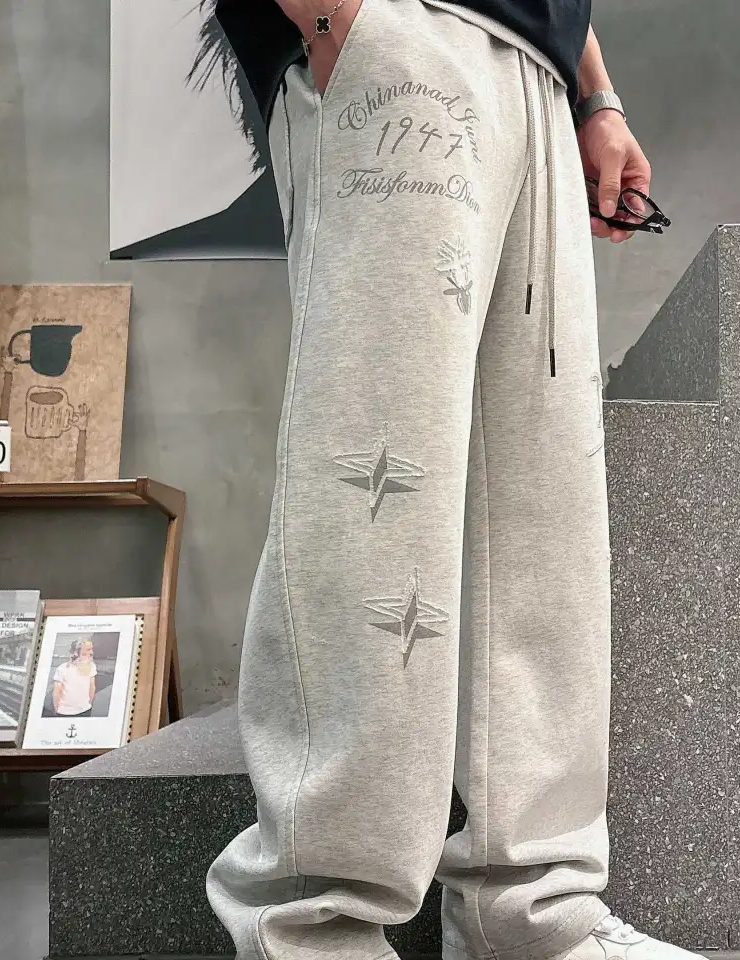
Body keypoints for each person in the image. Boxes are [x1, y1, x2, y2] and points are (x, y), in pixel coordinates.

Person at [206, 3, 704, 960]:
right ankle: (313, 927)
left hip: (539, 75)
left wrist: (593, 95)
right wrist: (335, 15)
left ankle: (531, 914)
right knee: (371, 492)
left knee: (545, 523)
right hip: (402, 35)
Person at [50, 636, 96, 718]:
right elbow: (57, 692)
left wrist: (56, 709)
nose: (91, 652)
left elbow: (92, 688)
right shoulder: (62, 668)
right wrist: (89, 704)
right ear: (78, 652)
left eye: (91, 649)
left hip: (81, 710)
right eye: (88, 649)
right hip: (69, 712)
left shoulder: (91, 666)